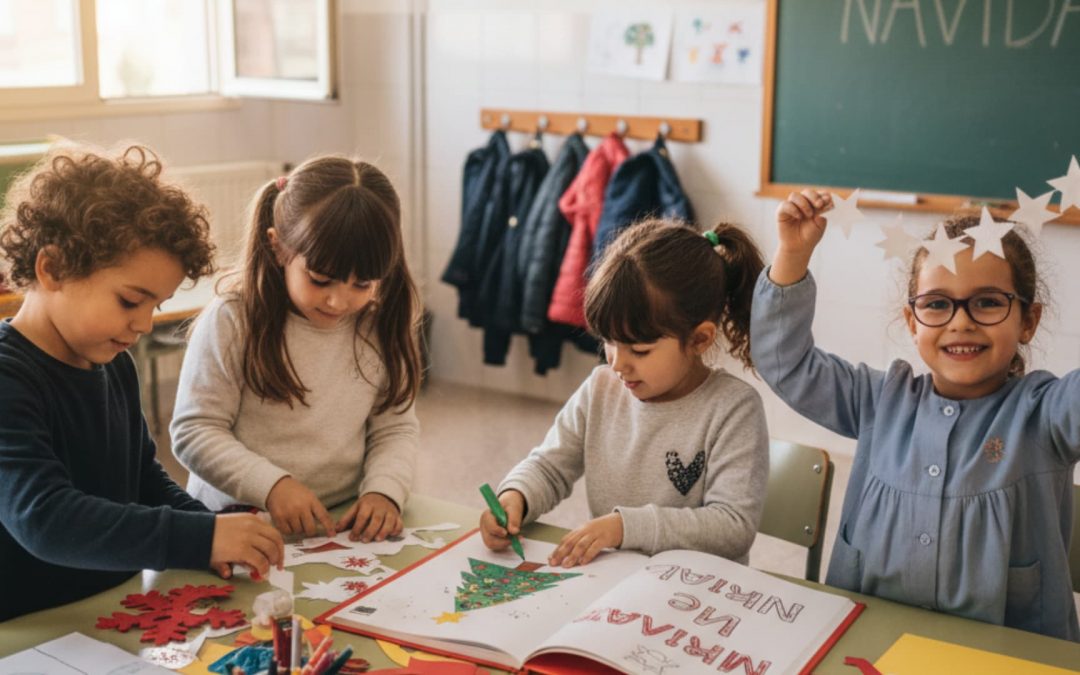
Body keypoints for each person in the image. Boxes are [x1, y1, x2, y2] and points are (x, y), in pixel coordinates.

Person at [751, 189, 1080, 641]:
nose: (960, 322)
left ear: (1028, 320)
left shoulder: (1045, 415)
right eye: (937, 304)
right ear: (912, 322)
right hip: (870, 646)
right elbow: (785, 362)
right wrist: (792, 252)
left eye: (987, 302)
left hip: (1005, 660)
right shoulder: (879, 400)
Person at [0, 144, 284, 621]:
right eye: (131, 301)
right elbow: (45, 519)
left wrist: (213, 527)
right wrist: (199, 538)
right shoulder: (8, 376)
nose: (146, 324)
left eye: (156, 304)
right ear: (51, 269)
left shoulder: (112, 363)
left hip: (116, 607)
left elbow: (140, 478)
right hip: (28, 628)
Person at [480, 219, 770, 568]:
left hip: (698, 592)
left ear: (699, 340)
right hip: (616, 584)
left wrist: (624, 527)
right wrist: (517, 496)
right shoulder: (601, 388)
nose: (618, 365)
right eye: (609, 343)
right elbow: (549, 466)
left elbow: (732, 526)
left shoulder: (734, 408)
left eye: (640, 350)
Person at [171, 156, 422, 543]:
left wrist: (383, 491)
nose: (339, 301)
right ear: (279, 248)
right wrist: (273, 486)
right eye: (321, 279)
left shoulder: (380, 323)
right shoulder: (232, 319)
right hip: (236, 526)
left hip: (339, 523)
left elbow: (395, 427)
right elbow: (195, 431)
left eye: (363, 284)